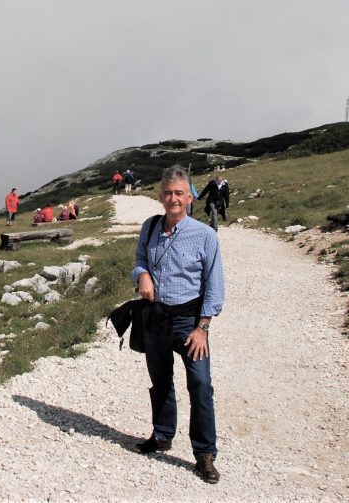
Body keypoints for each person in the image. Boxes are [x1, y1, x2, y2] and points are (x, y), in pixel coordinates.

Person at [130, 165, 225, 484]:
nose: (173, 198)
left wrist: (203, 328)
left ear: (190, 198)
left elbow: (215, 286)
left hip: (189, 322)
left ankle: (204, 453)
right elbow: (140, 260)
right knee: (160, 380)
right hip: (155, 316)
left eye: (179, 193)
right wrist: (142, 275)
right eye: (168, 193)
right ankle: (162, 435)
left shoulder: (205, 236)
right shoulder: (151, 227)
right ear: (161, 197)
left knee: (200, 384)